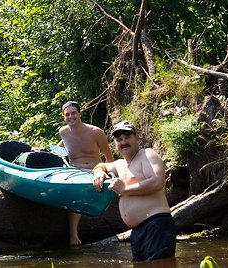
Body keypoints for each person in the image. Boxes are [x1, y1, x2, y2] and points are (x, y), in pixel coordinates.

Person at [93, 120, 176, 261]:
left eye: (127, 137)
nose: (123, 142)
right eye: (119, 139)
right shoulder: (119, 164)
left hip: (155, 225)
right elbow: (101, 165)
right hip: (137, 231)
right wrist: (98, 172)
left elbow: (157, 182)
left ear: (137, 137)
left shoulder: (147, 155)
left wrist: (125, 189)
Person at [57, 101, 114, 246]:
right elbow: (61, 146)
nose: (71, 117)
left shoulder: (96, 132)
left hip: (95, 170)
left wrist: (113, 173)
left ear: (80, 114)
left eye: (73, 113)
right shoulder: (63, 132)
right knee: (73, 193)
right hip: (74, 172)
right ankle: (73, 235)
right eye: (67, 114)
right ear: (64, 117)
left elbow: (109, 157)